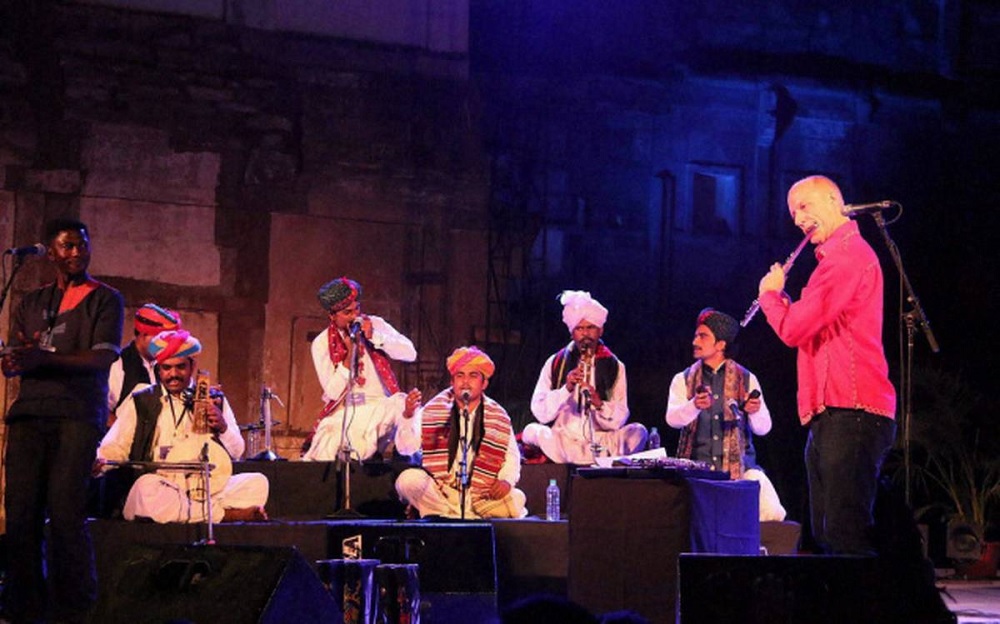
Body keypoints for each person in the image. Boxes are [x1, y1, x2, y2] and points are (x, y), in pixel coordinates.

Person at [757, 174, 896, 554]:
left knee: (843, 532)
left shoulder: (848, 256)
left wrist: (771, 297)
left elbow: (793, 328)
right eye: (793, 212)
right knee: (825, 533)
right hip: (831, 413)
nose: (798, 219)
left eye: (805, 206)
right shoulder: (831, 262)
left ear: (835, 201)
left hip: (852, 410)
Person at [1, 218, 124, 623]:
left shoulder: (105, 299)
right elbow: (21, 354)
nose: (76, 253)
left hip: (75, 415)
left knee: (66, 512)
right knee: (20, 515)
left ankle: (75, 608)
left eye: (81, 245)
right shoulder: (31, 302)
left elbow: (101, 357)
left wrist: (43, 359)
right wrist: (16, 361)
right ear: (50, 253)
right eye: (67, 247)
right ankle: (25, 607)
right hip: (30, 415)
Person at [96, 329, 269, 523]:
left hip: (206, 488)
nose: (173, 375)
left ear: (192, 366)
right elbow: (116, 445)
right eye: (166, 368)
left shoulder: (214, 399)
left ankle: (195, 512)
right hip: (163, 484)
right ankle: (225, 515)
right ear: (158, 369)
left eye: (180, 367)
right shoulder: (142, 401)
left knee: (257, 483)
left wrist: (222, 427)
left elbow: (237, 451)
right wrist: (99, 462)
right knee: (146, 489)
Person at [665, 308, 786, 521]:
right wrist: (693, 406)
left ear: (721, 345)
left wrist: (755, 411)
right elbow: (672, 419)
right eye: (696, 335)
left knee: (773, 513)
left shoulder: (746, 378)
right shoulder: (682, 379)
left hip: (740, 473)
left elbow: (764, 428)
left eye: (703, 336)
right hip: (698, 475)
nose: (695, 341)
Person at [395, 346, 526, 519]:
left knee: (516, 498)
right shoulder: (433, 410)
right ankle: (464, 516)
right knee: (407, 480)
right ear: (452, 382)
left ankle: (444, 516)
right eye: (460, 375)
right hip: (444, 491)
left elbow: (512, 457)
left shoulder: (498, 416)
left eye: (473, 376)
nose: (465, 382)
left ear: (484, 383)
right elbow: (406, 449)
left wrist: (506, 481)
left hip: (482, 494)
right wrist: (408, 416)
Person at [523, 290, 647, 464]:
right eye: (579, 328)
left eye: (591, 328)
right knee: (532, 431)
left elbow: (620, 416)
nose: (585, 334)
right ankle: (596, 460)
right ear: (572, 332)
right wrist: (566, 389)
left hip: (600, 439)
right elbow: (540, 411)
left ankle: (590, 458)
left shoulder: (615, 366)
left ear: (600, 330)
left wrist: (599, 403)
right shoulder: (555, 362)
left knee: (638, 432)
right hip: (562, 439)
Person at [302, 277, 417, 461]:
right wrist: (348, 358)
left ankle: (407, 458)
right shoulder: (322, 343)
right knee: (326, 446)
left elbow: (410, 353)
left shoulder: (375, 324)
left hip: (381, 406)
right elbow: (332, 392)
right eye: (347, 312)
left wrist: (375, 337)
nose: (355, 316)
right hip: (347, 410)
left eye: (357, 309)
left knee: (402, 406)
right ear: (332, 315)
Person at [106, 302, 182, 423]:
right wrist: (123, 433)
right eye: (162, 339)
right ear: (143, 335)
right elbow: (101, 410)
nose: (166, 345)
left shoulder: (165, 365)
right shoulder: (118, 365)